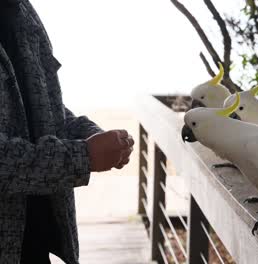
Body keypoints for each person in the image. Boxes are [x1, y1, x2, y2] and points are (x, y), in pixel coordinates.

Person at [0, 1, 134, 263]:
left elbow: (40, 103)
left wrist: (89, 133)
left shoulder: (22, 10)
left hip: (33, 243)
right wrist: (83, 156)